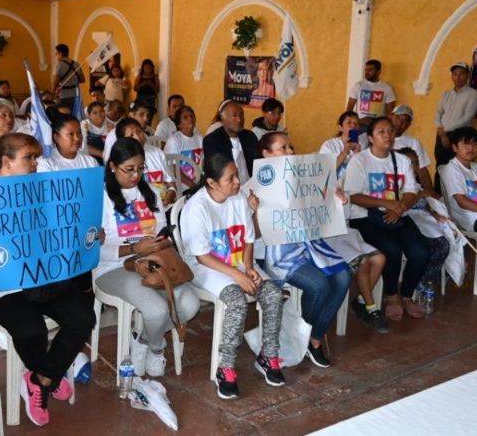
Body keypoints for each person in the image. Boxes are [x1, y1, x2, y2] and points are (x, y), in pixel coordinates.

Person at [0, 133, 95, 427]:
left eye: (36, 158)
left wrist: (87, 234)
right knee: (31, 330)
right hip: (3, 286)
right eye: (29, 158)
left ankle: (41, 379)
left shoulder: (43, 192)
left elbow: (61, 231)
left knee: (83, 317)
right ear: (7, 162)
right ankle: (48, 376)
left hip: (44, 277)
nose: (35, 164)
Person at [180, 153, 285, 399]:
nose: (238, 182)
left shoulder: (237, 199)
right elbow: (201, 256)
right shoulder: (197, 207)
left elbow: (248, 240)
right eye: (231, 178)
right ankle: (225, 366)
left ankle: (268, 356)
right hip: (206, 268)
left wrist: (248, 268)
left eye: (237, 175)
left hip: (237, 263)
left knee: (273, 294)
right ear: (212, 183)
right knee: (236, 301)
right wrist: (237, 277)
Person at [97, 137, 199, 377]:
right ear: (112, 166)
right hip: (113, 267)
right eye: (129, 169)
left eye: (141, 168)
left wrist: (160, 241)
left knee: (190, 305)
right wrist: (135, 249)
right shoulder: (101, 197)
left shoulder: (150, 190)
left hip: (153, 262)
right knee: (156, 310)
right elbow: (95, 249)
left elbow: (161, 228)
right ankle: (156, 348)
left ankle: (143, 341)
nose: (136, 175)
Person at [257, 132, 351, 367]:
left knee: (343, 276)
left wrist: (335, 197)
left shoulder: (303, 177)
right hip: (279, 253)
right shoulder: (259, 183)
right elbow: (256, 232)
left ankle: (314, 337)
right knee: (319, 285)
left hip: (309, 246)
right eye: (283, 148)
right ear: (266, 155)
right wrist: (255, 209)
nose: (290, 152)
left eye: (291, 146)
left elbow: (320, 202)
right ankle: (302, 337)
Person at [345, 116, 431, 321]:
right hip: (366, 217)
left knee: (421, 251)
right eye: (381, 132)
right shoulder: (360, 160)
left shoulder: (401, 160)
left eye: (391, 131)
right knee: (391, 249)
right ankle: (391, 296)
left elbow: (411, 190)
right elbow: (353, 195)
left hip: (398, 214)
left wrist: (399, 207)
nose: (387, 135)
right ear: (371, 138)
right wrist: (385, 204)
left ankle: (407, 295)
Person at [434, 62, 477, 186]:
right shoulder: (446, 94)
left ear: (467, 76)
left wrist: (445, 132)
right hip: (442, 134)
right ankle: (439, 197)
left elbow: (467, 118)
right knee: (441, 166)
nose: (458, 77)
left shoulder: (473, 95)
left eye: (461, 74)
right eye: (454, 74)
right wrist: (441, 130)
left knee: (458, 168)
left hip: (459, 136)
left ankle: (456, 198)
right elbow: (438, 113)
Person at [114, 118, 177, 206]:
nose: (137, 137)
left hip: (163, 206)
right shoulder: (121, 160)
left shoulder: (157, 153)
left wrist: (166, 201)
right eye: (131, 135)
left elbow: (171, 186)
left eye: (139, 131)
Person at [203, 100, 258, 184]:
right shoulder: (212, 141)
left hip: (252, 185)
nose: (239, 119)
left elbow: (257, 165)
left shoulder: (250, 137)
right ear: (223, 119)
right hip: (228, 188)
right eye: (234, 116)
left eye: (241, 115)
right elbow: (217, 173)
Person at [390, 105, 436, 195]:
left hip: (408, 187)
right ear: (390, 116)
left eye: (405, 121)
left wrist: (431, 193)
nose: (399, 123)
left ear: (409, 124)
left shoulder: (413, 142)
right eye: (397, 117)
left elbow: (422, 171)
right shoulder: (377, 138)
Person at [345, 59, 397, 127]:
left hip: (377, 127)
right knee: (353, 138)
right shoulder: (358, 85)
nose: (367, 72)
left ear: (378, 72)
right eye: (366, 70)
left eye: (370, 70)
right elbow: (350, 106)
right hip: (358, 125)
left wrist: (386, 126)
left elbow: (390, 112)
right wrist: (354, 122)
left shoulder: (387, 88)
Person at [162, 105, 203, 187]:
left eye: (192, 116)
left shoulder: (200, 138)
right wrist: (193, 186)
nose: (190, 119)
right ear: (179, 125)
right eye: (185, 117)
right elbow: (173, 169)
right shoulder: (174, 141)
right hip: (181, 185)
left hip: (199, 182)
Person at [52, 44, 85, 109]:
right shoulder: (76, 64)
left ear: (60, 54)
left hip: (63, 96)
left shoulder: (59, 65)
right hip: (75, 95)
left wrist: (52, 94)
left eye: (56, 54)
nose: (56, 56)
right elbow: (82, 79)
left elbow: (55, 82)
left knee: (64, 115)